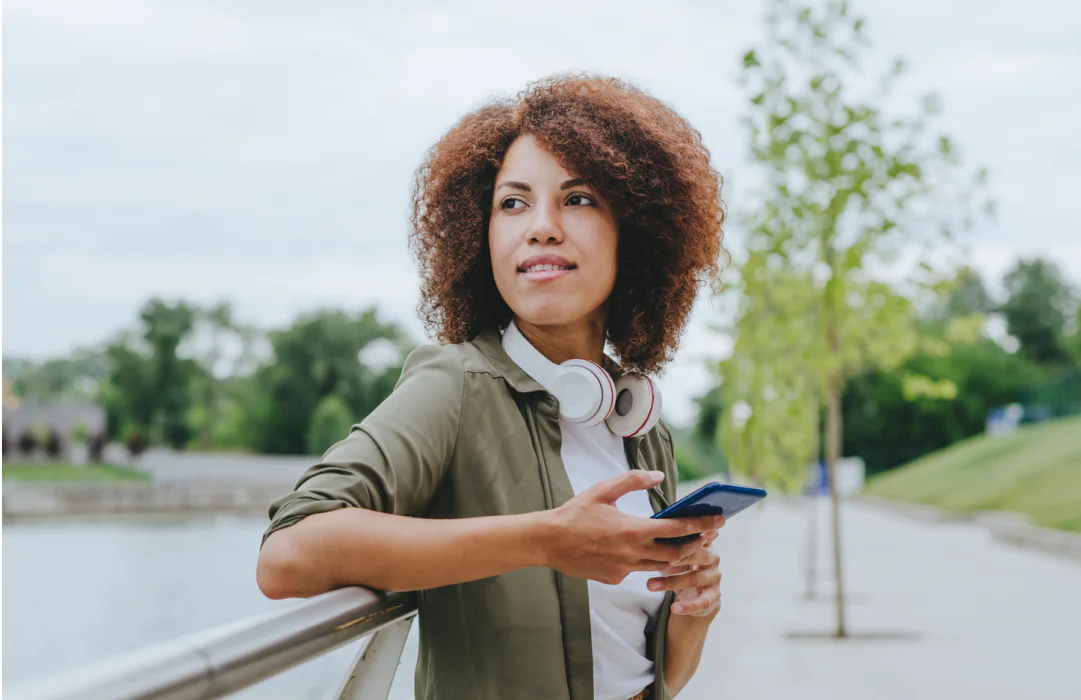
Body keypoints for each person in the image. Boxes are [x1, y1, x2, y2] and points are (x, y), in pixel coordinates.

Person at [256, 73, 726, 700]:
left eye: (578, 198)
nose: (541, 227)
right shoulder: (454, 386)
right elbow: (288, 555)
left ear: (635, 231)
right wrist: (545, 541)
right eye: (513, 202)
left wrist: (693, 613)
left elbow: (654, 675)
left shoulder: (636, 424)